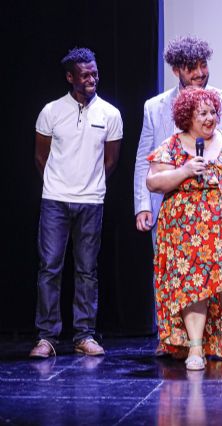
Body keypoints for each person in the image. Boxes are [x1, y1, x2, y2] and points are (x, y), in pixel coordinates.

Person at [133, 35, 222, 353]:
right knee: (177, 275)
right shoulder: (155, 107)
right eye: (191, 68)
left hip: (221, 207)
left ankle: (219, 342)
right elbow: (146, 158)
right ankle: (175, 341)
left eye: (203, 65)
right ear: (176, 71)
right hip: (175, 208)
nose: (199, 73)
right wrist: (143, 206)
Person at [146, 87, 222, 371]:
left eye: (213, 112)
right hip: (186, 229)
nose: (210, 118)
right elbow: (153, 182)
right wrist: (185, 170)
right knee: (193, 284)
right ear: (187, 116)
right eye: (203, 113)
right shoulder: (173, 145)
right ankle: (195, 348)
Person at [29, 47, 123, 358]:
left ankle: (84, 335)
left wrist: (89, 187)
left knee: (87, 270)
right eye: (85, 75)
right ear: (70, 77)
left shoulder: (110, 114)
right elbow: (41, 158)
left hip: (91, 201)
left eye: (94, 73)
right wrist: (59, 186)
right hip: (55, 200)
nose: (92, 79)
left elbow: (110, 161)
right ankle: (47, 337)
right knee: (50, 268)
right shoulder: (51, 111)